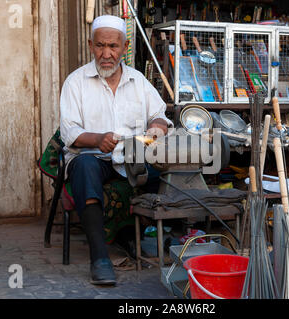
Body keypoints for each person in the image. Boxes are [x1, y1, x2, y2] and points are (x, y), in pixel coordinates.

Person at [60, 15, 173, 285]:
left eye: (113, 46)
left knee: (169, 170)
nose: (106, 54)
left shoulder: (138, 81)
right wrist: (98, 139)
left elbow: (159, 115)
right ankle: (99, 258)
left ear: (124, 47)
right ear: (91, 46)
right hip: (91, 158)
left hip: (130, 157)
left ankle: (131, 235)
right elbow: (69, 132)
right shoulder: (75, 83)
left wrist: (156, 129)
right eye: (100, 46)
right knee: (85, 168)